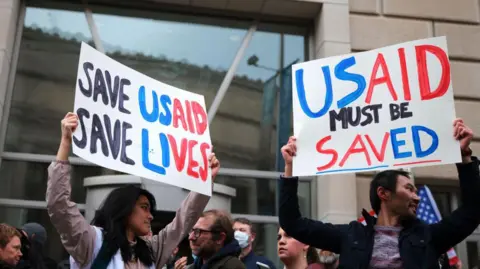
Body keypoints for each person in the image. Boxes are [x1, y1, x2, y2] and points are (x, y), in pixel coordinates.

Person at [278, 118, 480, 269]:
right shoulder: (351, 236)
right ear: (384, 193)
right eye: (409, 189)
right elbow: (292, 223)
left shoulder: (428, 237)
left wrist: (464, 158)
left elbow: (472, 211)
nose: (416, 197)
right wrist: (290, 168)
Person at [46, 112, 220, 269]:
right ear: (125, 209)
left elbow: (184, 220)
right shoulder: (91, 242)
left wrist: (206, 180)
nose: (151, 216)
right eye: (144, 207)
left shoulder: (151, 252)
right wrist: (65, 143)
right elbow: (59, 205)